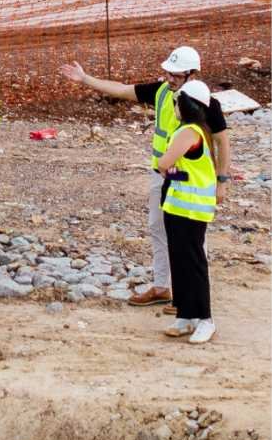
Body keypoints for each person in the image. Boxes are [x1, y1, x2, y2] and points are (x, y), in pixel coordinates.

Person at [59, 46, 231, 309]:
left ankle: (191, 297)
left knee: (193, 240)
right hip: (162, 176)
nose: (170, 78)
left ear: (192, 74)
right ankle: (163, 287)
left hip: (190, 182)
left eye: (176, 74)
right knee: (159, 229)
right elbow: (123, 89)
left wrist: (222, 181)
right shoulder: (162, 92)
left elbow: (222, 141)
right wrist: (86, 79)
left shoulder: (203, 102)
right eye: (168, 72)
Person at [157, 80, 218, 344]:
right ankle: (185, 314)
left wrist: (167, 167)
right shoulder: (199, 129)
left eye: (175, 102)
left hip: (190, 210)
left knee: (192, 262)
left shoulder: (189, 132)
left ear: (185, 104)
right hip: (179, 205)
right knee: (179, 259)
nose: (173, 107)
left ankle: (204, 319)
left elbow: (163, 161)